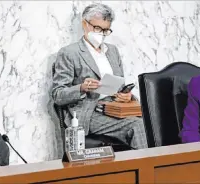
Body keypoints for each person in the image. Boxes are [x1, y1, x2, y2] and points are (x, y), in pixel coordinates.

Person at [51, 3, 148, 149]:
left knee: (150, 120)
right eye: (97, 28)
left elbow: (120, 85)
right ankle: (145, 171)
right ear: (85, 24)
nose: (101, 34)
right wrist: (82, 88)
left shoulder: (112, 51)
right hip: (88, 113)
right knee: (137, 125)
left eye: (105, 30)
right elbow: (58, 95)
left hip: (113, 108)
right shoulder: (69, 53)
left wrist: (127, 96)